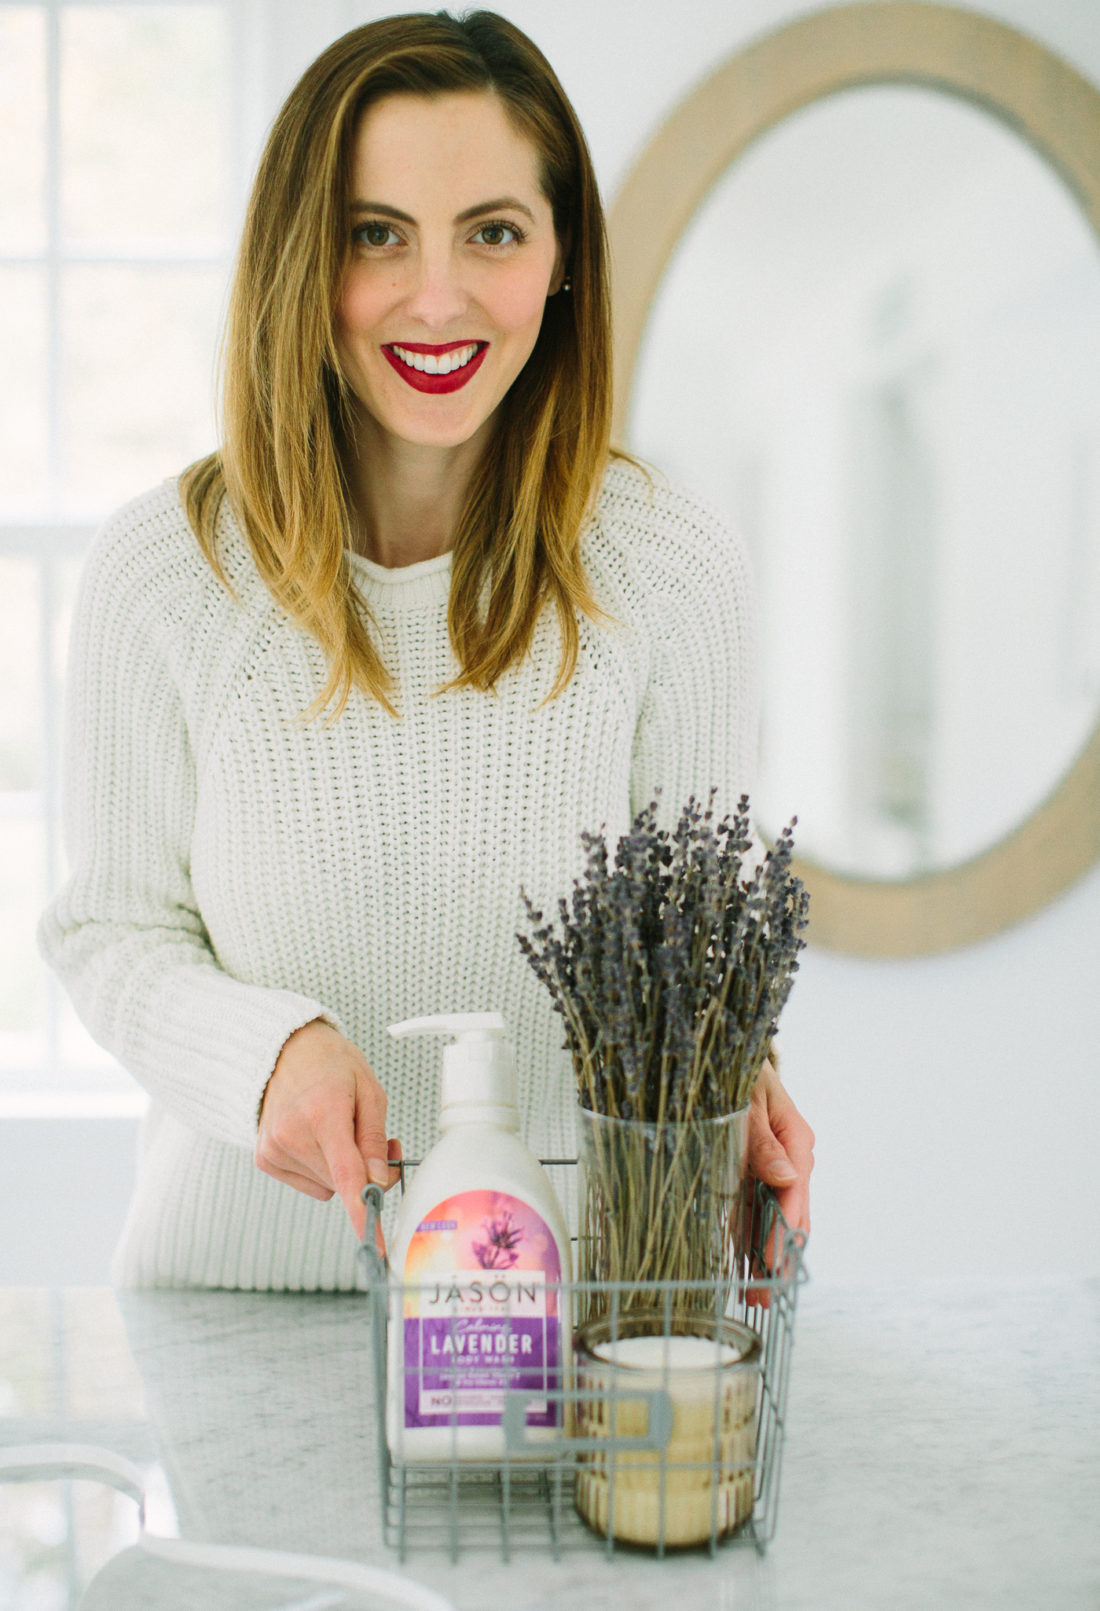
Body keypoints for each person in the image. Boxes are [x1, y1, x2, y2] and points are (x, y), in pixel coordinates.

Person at [38, 9, 813, 1290]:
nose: (437, 296)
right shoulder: (163, 575)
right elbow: (113, 930)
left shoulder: (672, 573)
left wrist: (733, 1089)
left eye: (493, 233)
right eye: (375, 234)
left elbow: (693, 962)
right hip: (236, 1309)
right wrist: (264, 1055)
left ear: (561, 259)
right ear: (301, 257)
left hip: (557, 1333)